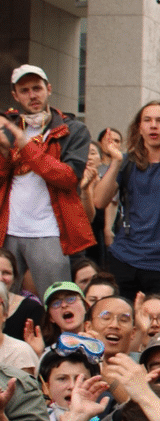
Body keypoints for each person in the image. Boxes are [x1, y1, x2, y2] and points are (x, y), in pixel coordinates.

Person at [0, 65, 96, 299]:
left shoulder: (74, 129)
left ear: (48, 89)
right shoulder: (9, 128)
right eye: (24, 90)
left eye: (37, 88)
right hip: (8, 230)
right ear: (15, 95)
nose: (32, 95)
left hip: (50, 231)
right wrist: (3, 151)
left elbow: (68, 177)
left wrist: (25, 145)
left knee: (57, 302)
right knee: (3, 303)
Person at [93, 102, 160, 298]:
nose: (153, 125)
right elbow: (99, 201)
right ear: (139, 128)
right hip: (124, 257)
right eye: (147, 120)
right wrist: (115, 161)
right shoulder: (126, 162)